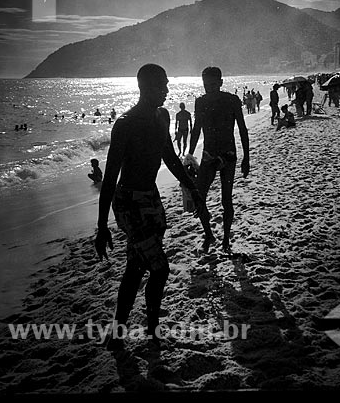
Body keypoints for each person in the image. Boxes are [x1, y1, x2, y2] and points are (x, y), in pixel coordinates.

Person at [95, 63, 206, 350]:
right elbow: (110, 178)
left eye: (167, 84)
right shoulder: (125, 124)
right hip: (129, 201)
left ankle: (117, 335)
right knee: (159, 269)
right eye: (162, 86)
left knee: (136, 266)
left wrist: (189, 185)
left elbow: (168, 156)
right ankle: (153, 331)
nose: (167, 90)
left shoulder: (162, 117)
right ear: (145, 87)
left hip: (151, 196)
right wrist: (101, 225)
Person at [188, 66, 250, 253]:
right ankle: (209, 234)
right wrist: (189, 157)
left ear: (221, 83)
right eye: (206, 85)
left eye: (213, 84)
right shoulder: (200, 102)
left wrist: (247, 157)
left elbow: (242, 129)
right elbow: (196, 130)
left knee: (226, 200)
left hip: (228, 155)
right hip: (207, 155)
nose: (210, 88)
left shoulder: (232, 100)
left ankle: (225, 240)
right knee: (199, 198)